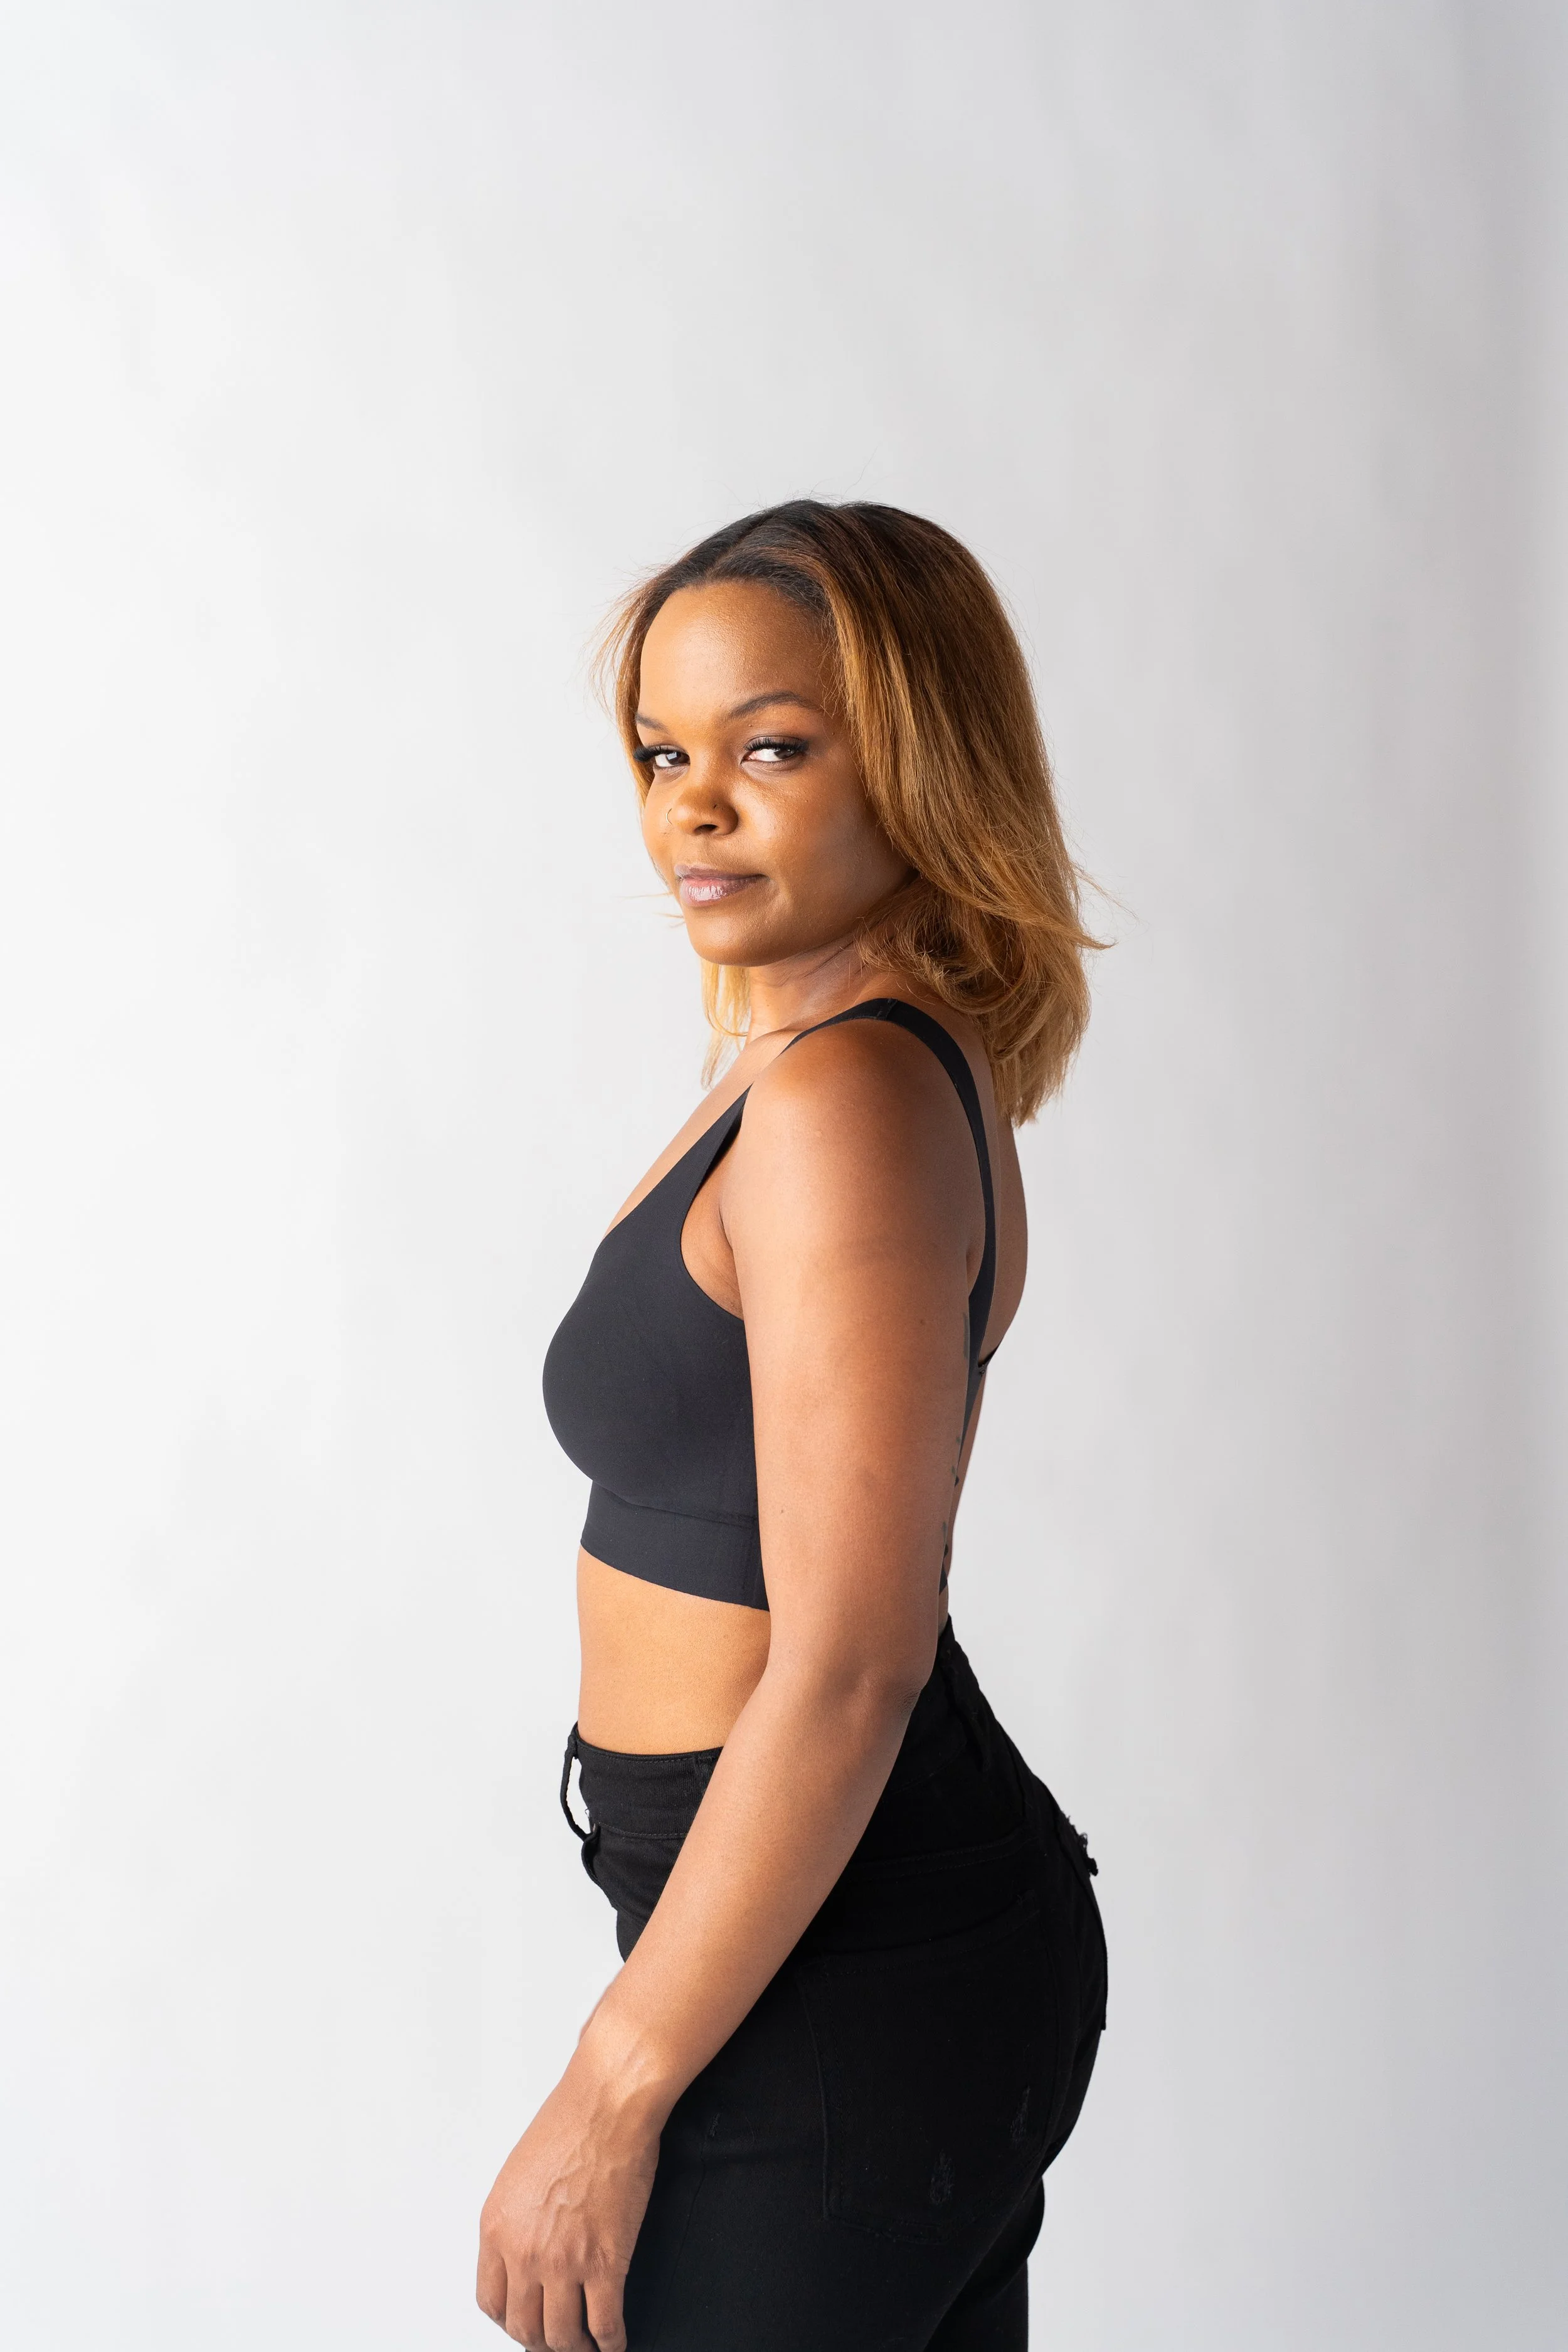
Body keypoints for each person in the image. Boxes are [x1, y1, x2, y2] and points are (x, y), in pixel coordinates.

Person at [476, 501, 1108, 2352]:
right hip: (803, 1919)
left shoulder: (846, 1094)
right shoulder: (819, 1059)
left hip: (853, 1946)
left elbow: (847, 1667)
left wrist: (605, 2089)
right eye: (665, 755)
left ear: (914, 760)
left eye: (770, 746)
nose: (694, 804)